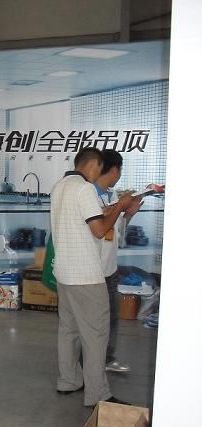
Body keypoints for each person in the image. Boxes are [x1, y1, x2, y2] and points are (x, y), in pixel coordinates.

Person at [50, 147, 139, 407]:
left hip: (64, 274)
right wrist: (120, 206)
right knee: (96, 335)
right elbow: (99, 230)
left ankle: (68, 381)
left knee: (68, 331)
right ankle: (98, 394)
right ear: (95, 165)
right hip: (86, 275)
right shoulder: (84, 189)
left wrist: (118, 210)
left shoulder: (59, 187)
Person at [96, 150, 142, 373]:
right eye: (120, 169)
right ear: (115, 169)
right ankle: (87, 363)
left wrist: (129, 214)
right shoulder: (89, 194)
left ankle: (106, 358)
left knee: (112, 318)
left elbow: (116, 234)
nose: (120, 173)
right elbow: (95, 230)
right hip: (92, 270)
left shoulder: (112, 195)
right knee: (92, 321)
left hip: (109, 268)